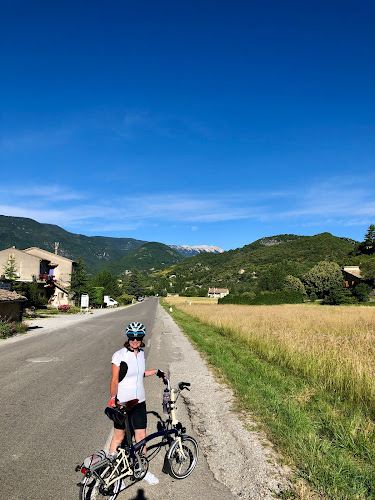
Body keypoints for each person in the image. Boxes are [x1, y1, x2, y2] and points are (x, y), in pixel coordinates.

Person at [108, 321, 165, 485]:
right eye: (132, 338)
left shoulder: (140, 354)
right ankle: (114, 474)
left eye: (138, 338)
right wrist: (113, 398)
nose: (135, 341)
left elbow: (139, 374)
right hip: (123, 403)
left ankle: (141, 470)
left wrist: (156, 372)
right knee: (119, 438)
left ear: (141, 339)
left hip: (139, 402)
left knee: (141, 437)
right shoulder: (119, 355)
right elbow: (114, 379)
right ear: (128, 338)